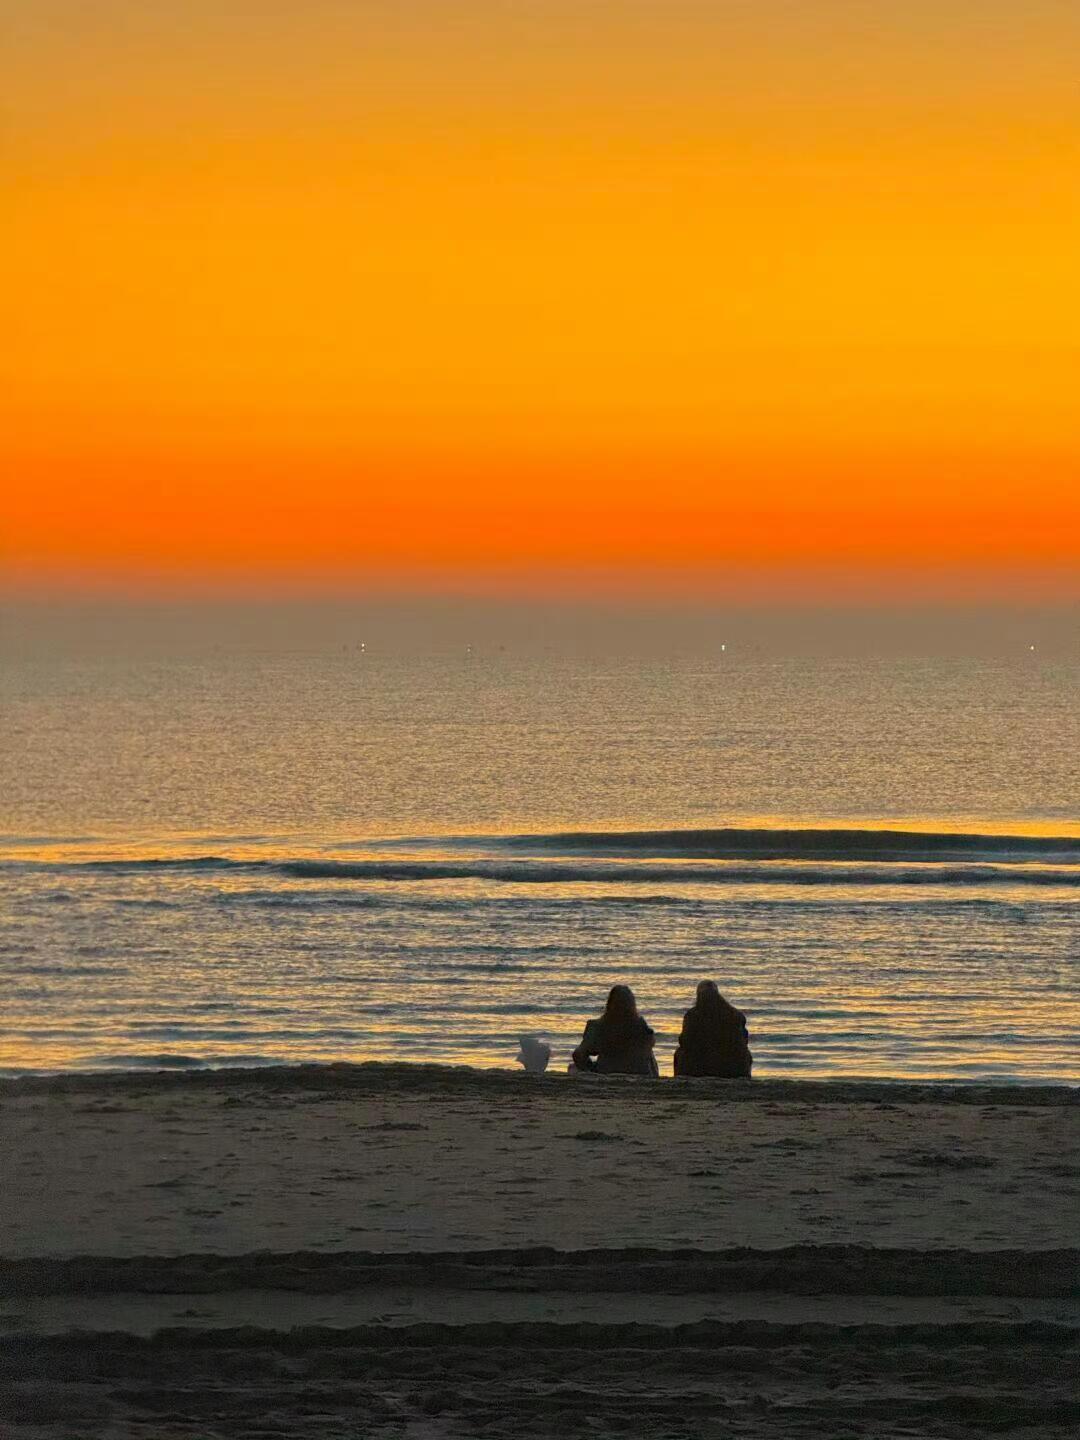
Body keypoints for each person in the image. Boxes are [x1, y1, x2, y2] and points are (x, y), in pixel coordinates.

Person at [572, 985, 659, 1076]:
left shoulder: (599, 1027)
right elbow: (651, 1043)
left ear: (609, 1004)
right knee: (650, 1055)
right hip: (640, 1077)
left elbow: (578, 1055)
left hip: (606, 1074)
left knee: (573, 1068)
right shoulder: (641, 1026)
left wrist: (589, 1068)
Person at [673, 980, 752, 1078]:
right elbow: (745, 1039)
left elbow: (684, 1041)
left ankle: (680, 1080)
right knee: (746, 1053)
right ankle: (746, 1076)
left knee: (678, 1053)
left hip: (698, 1067)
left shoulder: (692, 1015)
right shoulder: (735, 1014)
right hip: (733, 1067)